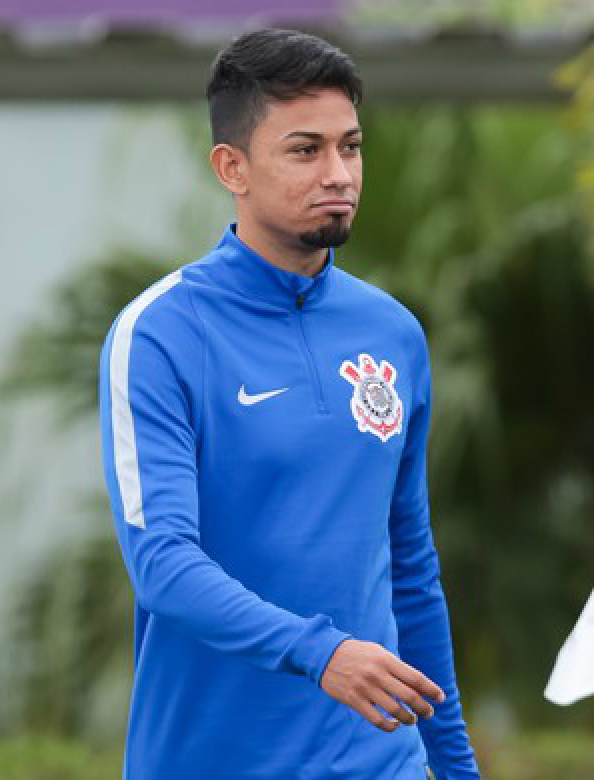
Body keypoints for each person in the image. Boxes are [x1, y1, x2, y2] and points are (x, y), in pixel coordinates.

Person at [99, 28, 482, 780]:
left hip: (381, 766)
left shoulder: (393, 334)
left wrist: (457, 767)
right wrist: (323, 653)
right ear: (231, 167)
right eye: (306, 150)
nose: (339, 173)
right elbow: (165, 566)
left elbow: (409, 565)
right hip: (211, 763)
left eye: (352, 146)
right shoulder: (162, 333)